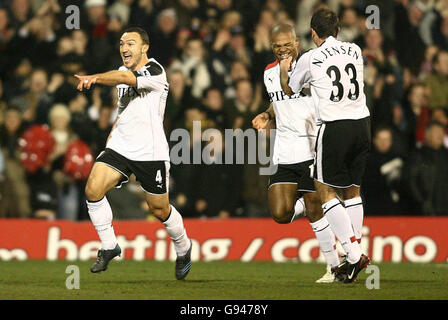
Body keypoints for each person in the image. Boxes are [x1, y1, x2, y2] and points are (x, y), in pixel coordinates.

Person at [74, 27, 192, 280]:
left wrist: (94, 77)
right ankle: (109, 246)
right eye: (121, 43)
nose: (124, 48)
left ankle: (183, 247)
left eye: (130, 43)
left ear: (144, 47)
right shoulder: (121, 72)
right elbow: (123, 109)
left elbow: (127, 80)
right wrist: (110, 140)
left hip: (150, 151)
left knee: (159, 210)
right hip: (120, 146)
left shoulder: (156, 71)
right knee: (92, 190)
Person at [280, 9, 370, 283]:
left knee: (325, 189)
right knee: (353, 191)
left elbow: (290, 90)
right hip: (362, 123)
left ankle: (353, 255)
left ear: (314, 34)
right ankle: (354, 250)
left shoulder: (311, 57)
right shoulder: (355, 50)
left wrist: (286, 71)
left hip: (334, 126)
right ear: (338, 30)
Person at [252, 23, 340, 283]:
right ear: (272, 47)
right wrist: (267, 114)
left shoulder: (313, 67)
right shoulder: (269, 72)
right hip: (285, 151)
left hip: (312, 147)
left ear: (297, 43)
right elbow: (277, 99)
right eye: (277, 46)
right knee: (281, 213)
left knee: (314, 209)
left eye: (287, 44)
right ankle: (327, 206)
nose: (282, 50)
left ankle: (334, 267)